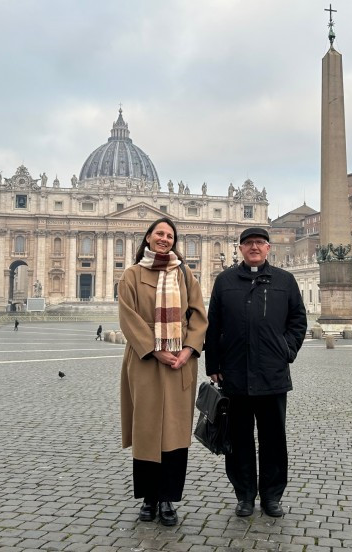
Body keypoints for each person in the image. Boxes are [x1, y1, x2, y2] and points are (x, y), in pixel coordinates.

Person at [205, 226, 307, 518]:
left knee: (274, 440)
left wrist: (286, 350)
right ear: (240, 248)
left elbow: (298, 320)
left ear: (268, 248)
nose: (254, 247)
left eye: (259, 243)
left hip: (272, 374)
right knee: (239, 440)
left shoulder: (285, 281)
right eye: (248, 243)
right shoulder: (224, 281)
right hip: (234, 374)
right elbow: (213, 326)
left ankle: (272, 496)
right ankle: (245, 495)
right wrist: (213, 366)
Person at [118, 217, 208, 526]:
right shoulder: (131, 275)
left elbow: (198, 315)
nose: (164, 239)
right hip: (145, 361)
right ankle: (149, 498)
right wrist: (155, 349)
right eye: (159, 233)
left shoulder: (183, 273)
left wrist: (188, 349)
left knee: (173, 432)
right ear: (147, 237)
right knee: (146, 430)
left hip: (179, 363)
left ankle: (168, 498)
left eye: (170, 235)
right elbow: (127, 317)